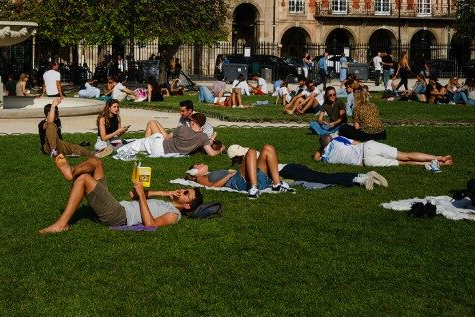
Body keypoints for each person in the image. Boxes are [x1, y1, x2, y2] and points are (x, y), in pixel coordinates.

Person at [39, 153, 202, 233]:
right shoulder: (166, 202)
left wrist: (141, 195)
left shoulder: (174, 215)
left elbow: (150, 224)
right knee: (96, 162)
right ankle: (72, 170)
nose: (182, 190)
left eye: (186, 193)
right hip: (119, 207)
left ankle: (62, 224)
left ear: (187, 206)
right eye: (185, 189)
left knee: (84, 179)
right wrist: (165, 193)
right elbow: (132, 195)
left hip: (120, 216)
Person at [189, 144, 388, 191]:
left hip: (278, 171)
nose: (201, 164)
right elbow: (210, 185)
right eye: (197, 165)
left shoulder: (242, 163)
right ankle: (358, 178)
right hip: (281, 171)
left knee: (320, 176)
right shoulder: (201, 178)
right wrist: (195, 175)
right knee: (320, 177)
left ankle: (359, 177)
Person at [314, 134, 453, 169]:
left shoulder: (326, 158)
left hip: (366, 162)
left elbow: (315, 157)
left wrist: (322, 149)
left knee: (403, 163)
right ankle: (439, 157)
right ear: (330, 138)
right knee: (405, 156)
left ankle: (440, 164)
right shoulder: (338, 139)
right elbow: (357, 143)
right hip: (367, 148)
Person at [39, 97, 110, 158]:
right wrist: (53, 106)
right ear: (48, 113)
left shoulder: (57, 121)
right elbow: (50, 122)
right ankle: (53, 150)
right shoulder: (42, 124)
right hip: (47, 147)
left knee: (75, 147)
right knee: (51, 125)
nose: (58, 114)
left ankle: (95, 154)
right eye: (56, 112)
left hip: (59, 144)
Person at [127, 114, 224, 157]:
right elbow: (211, 153)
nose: (189, 122)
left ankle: (145, 142)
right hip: (165, 152)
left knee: (151, 123)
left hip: (159, 145)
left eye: (190, 120)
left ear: (194, 122)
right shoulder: (203, 137)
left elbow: (166, 137)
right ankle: (145, 144)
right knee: (152, 127)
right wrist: (221, 149)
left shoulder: (182, 128)